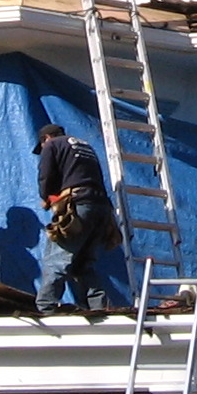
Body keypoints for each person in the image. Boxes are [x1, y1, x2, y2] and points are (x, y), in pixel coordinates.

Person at [33, 122, 117, 314]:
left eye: (42, 144)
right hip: (101, 208)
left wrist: (47, 197)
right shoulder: (85, 146)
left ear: (46, 138)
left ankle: (46, 307)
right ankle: (98, 307)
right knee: (83, 263)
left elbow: (46, 176)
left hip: (79, 205)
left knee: (57, 259)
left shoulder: (52, 145)